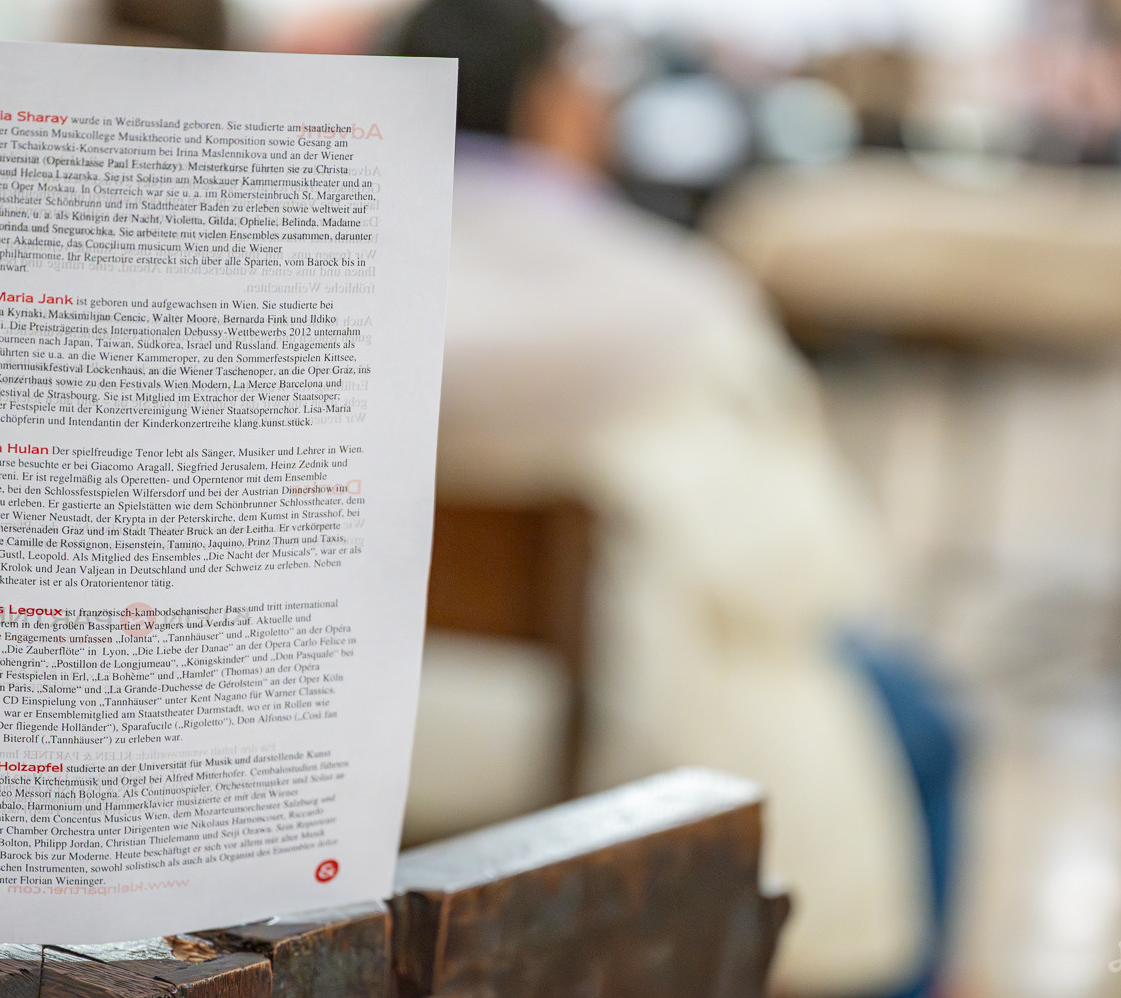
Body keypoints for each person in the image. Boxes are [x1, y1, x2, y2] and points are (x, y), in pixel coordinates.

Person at [390, 1, 937, 993]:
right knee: (921, 719)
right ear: (546, 103)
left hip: (389, 701)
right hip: (606, 707)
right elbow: (800, 558)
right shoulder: (668, 299)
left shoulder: (340, 276)